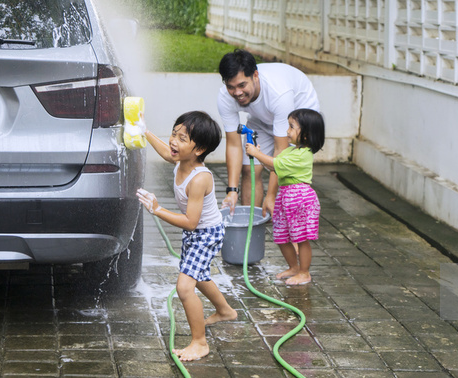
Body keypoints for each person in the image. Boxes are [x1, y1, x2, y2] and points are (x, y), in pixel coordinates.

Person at [137, 111, 237, 362]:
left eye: (182, 139)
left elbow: (191, 223)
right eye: (174, 134)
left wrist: (157, 209)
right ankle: (225, 311)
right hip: (199, 232)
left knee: (184, 287)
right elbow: (164, 151)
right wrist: (144, 131)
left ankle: (200, 343)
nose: (173, 141)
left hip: (206, 233)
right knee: (198, 275)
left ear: (199, 149)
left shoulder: (200, 178)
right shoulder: (182, 161)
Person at [217, 49, 320, 217]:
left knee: (291, 177)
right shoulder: (225, 97)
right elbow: (234, 144)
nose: (237, 93)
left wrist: (271, 196)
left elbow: (281, 152)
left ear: (255, 76)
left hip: (298, 117)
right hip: (262, 118)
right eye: (231, 87)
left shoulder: (278, 93)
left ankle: (294, 220)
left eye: (242, 85)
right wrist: (232, 190)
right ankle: (252, 222)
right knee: (250, 170)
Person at [244, 108, 325, 285]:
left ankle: (304, 272)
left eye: (291, 127)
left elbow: (275, 163)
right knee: (281, 235)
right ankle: (294, 267)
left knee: (301, 239)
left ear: (306, 134)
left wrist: (257, 154)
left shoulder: (303, 155)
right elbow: (274, 167)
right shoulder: (290, 151)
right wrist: (259, 156)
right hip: (285, 198)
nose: (287, 131)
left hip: (301, 200)